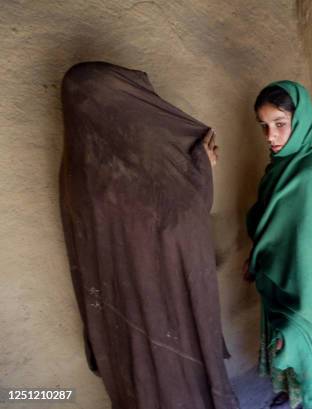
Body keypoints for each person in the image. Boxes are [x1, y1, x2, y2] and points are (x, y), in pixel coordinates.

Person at [60, 61, 239, 409]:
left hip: (117, 317)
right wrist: (200, 168)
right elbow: (183, 218)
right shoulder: (128, 176)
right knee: (177, 385)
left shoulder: (75, 173)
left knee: (138, 384)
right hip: (163, 311)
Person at [245, 81, 312, 409]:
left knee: (302, 341)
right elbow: (272, 226)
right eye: (264, 126)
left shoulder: (311, 173)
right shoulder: (280, 166)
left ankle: (311, 398)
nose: (271, 136)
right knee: (286, 345)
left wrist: (306, 310)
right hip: (278, 274)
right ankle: (291, 393)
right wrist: (257, 256)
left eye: (280, 124)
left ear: (301, 119)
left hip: (305, 286)